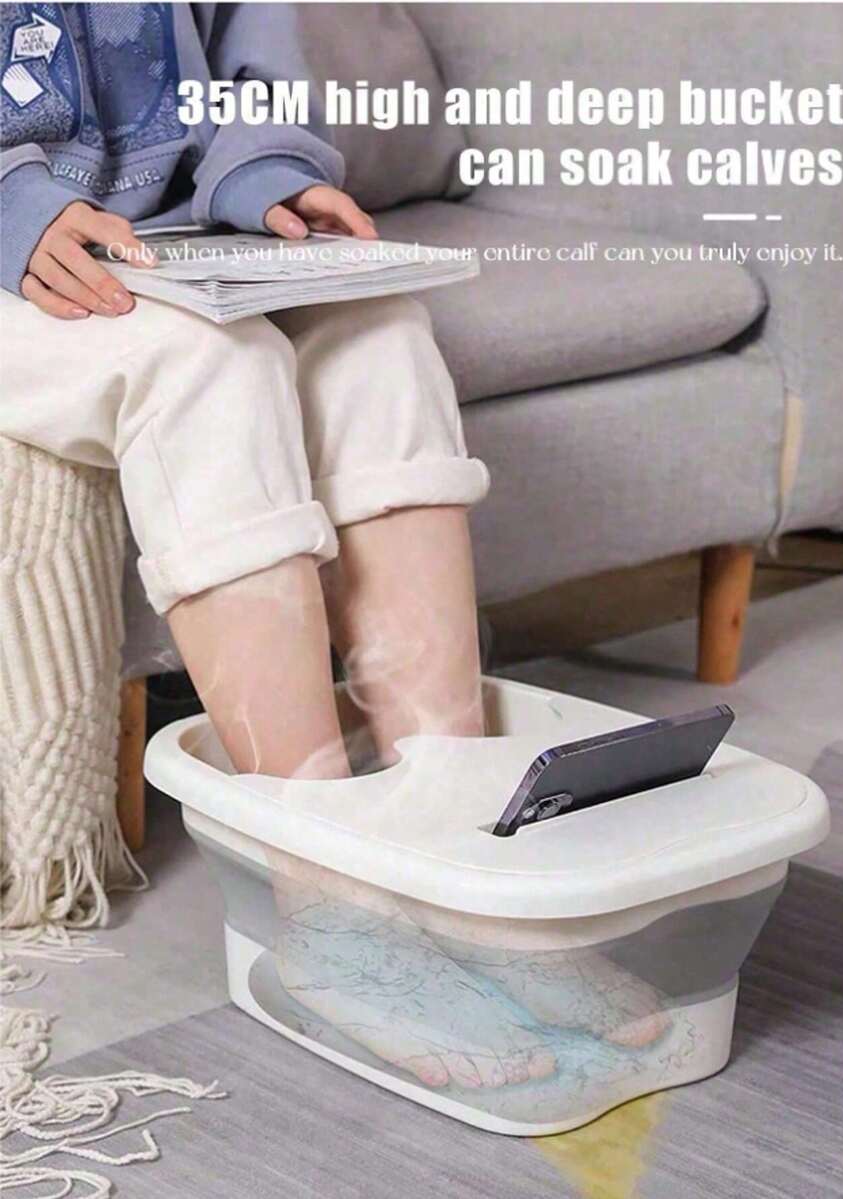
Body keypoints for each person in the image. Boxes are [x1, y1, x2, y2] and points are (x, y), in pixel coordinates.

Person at [1, 3, 668, 1091]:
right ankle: (330, 909)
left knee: (381, 335)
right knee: (211, 372)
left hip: (166, 237)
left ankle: (459, 867)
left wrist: (265, 174)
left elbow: (249, 58)